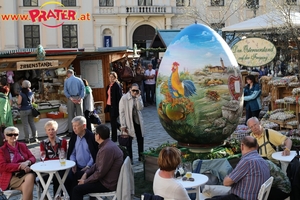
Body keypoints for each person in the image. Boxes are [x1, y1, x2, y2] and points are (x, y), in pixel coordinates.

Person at [72, 124, 123, 200]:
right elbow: (97, 164)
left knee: (77, 190)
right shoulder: (106, 145)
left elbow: (100, 172)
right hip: (105, 179)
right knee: (76, 175)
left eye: (95, 133)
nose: (94, 135)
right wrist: (86, 173)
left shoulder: (106, 149)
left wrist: (85, 181)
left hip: (107, 184)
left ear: (98, 136)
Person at [65, 116, 99, 198]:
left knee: (78, 180)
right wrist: (73, 163)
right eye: (73, 126)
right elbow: (72, 153)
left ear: (84, 126)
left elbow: (94, 155)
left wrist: (88, 166)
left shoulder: (91, 137)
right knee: (66, 177)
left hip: (90, 167)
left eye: (76, 126)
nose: (74, 128)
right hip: (76, 166)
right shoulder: (74, 137)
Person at [0, 126, 36, 200]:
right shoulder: (2, 150)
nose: (13, 136)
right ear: (5, 137)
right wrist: (20, 166)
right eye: (10, 134)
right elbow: (3, 166)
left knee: (27, 186)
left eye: (15, 134)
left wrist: (27, 162)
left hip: (24, 173)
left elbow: (32, 158)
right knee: (30, 178)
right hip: (11, 177)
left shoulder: (22, 145)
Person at [40, 120, 68, 196]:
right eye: (48, 130)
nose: (51, 132)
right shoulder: (43, 143)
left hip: (60, 167)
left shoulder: (63, 142)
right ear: (46, 132)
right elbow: (43, 158)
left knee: (57, 177)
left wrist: (52, 160)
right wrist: (54, 160)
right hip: (48, 168)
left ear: (56, 130)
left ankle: (57, 196)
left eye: (53, 129)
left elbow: (63, 156)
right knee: (41, 179)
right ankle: (46, 196)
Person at [119, 83, 144, 162]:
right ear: (130, 90)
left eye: (137, 90)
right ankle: (130, 158)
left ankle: (141, 156)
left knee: (140, 139)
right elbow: (121, 112)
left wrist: (138, 98)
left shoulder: (138, 97)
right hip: (128, 121)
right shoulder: (124, 98)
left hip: (137, 121)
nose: (135, 92)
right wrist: (123, 125)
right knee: (128, 141)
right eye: (133, 90)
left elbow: (140, 108)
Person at [64, 69, 85, 135]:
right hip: (78, 97)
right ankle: (81, 130)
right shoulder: (79, 80)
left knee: (71, 115)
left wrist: (70, 98)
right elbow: (83, 89)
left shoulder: (66, 81)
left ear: (68, 74)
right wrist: (81, 98)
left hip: (71, 98)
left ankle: (71, 131)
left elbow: (65, 91)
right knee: (80, 115)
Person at [105, 72, 122, 142]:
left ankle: (114, 138)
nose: (111, 78)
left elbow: (119, 97)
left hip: (115, 106)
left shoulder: (117, 85)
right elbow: (108, 96)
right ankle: (121, 127)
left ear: (115, 78)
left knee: (113, 122)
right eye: (110, 77)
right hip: (110, 105)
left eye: (112, 77)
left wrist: (119, 107)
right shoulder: (109, 86)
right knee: (113, 122)